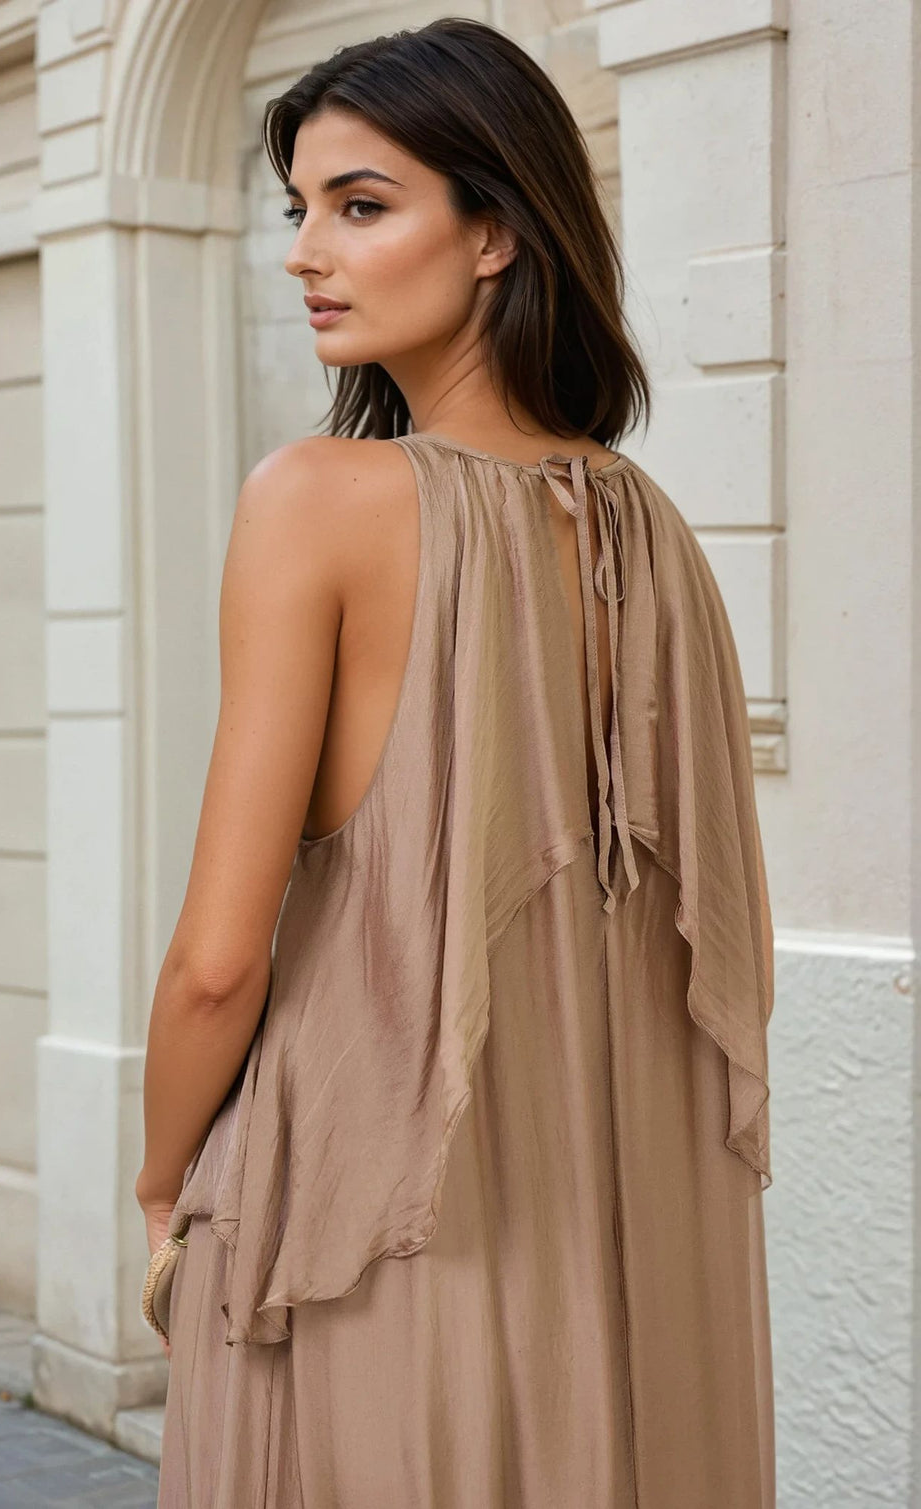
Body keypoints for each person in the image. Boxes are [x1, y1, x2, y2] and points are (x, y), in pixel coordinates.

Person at [137, 17, 775, 1508]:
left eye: (361, 206)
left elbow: (219, 961)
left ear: (496, 230)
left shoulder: (320, 499)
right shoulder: (659, 535)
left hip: (356, 1235)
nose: (307, 250)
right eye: (297, 208)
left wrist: (167, 1180)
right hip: (611, 1280)